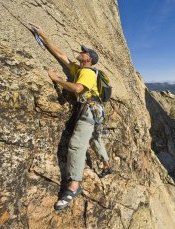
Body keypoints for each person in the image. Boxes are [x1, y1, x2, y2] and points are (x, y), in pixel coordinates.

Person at [30, 24, 112, 210]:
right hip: (96, 112)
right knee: (95, 139)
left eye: (83, 52)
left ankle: (74, 186)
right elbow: (60, 55)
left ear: (88, 58)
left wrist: (57, 79)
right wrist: (43, 35)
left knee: (76, 145)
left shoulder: (87, 72)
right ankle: (107, 165)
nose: (80, 51)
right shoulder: (79, 68)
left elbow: (77, 89)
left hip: (89, 111)